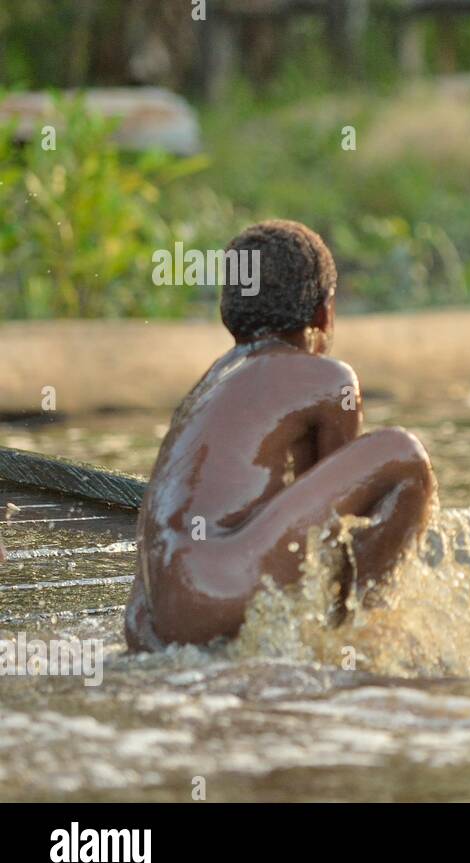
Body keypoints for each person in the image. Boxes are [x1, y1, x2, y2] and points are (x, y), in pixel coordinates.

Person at [125, 220, 435, 650]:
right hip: (218, 590)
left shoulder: (208, 385)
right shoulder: (330, 379)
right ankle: (362, 632)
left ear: (228, 311)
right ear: (324, 312)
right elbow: (342, 532)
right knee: (402, 454)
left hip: (152, 619)